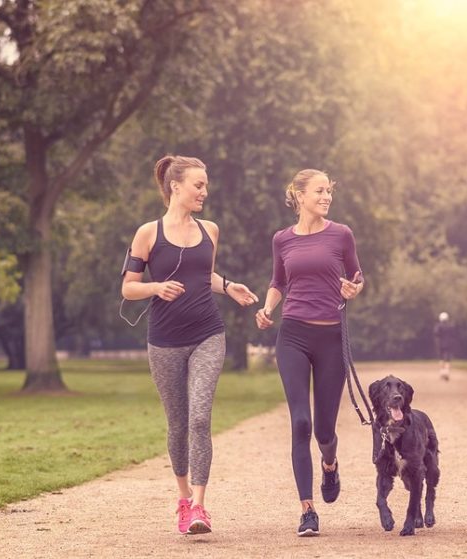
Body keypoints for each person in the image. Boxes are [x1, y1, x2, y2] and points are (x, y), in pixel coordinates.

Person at [121, 155, 258, 536]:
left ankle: (199, 506)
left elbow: (203, 274)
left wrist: (228, 287)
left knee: (200, 418)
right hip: (164, 341)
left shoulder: (210, 230)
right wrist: (155, 287)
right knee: (178, 423)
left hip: (207, 334)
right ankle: (183, 500)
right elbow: (128, 287)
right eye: (198, 185)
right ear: (175, 186)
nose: (204, 191)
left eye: (206, 184)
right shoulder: (148, 233)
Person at [255, 169, 364, 536]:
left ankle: (330, 465)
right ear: (299, 196)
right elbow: (278, 282)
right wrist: (268, 309)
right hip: (294, 336)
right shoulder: (282, 240)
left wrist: (353, 290)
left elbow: (357, 276)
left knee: (324, 430)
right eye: (319, 191)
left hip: (331, 338)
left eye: (329, 191)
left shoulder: (341, 234)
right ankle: (307, 510)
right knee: (300, 421)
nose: (326, 197)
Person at [434, 312, 455, 380]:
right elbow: (453, 335)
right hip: (449, 344)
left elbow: (436, 334)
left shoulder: (438, 326)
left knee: (441, 359)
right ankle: (447, 373)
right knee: (447, 360)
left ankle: (442, 373)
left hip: (440, 345)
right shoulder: (450, 326)